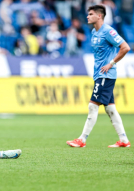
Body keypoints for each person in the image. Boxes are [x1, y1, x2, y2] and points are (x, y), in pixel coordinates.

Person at [66, 5, 131, 148]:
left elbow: (125, 47)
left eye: (90, 14)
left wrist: (111, 63)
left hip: (106, 75)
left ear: (99, 16)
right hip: (99, 75)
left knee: (92, 106)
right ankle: (124, 140)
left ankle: (82, 139)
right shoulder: (95, 32)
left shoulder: (108, 31)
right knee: (110, 109)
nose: (87, 16)